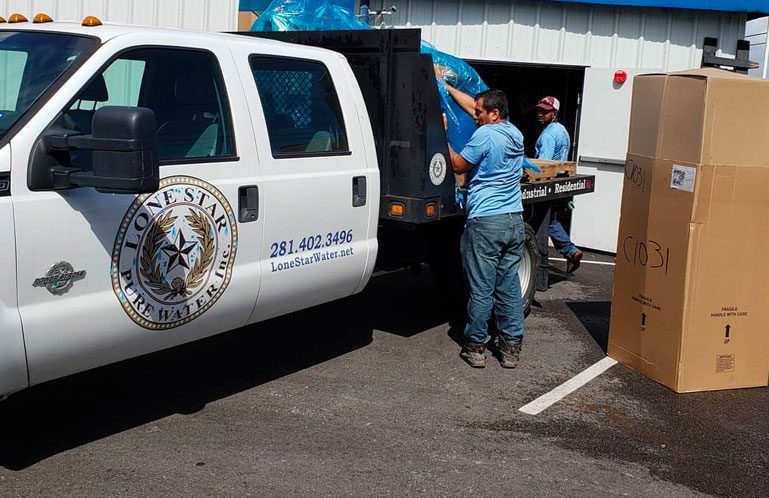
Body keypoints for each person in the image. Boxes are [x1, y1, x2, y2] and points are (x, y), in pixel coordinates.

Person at [445, 87, 527, 369]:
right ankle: (511, 347)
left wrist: (442, 134)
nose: (474, 117)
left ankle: (476, 346)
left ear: (494, 114)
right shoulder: (514, 133)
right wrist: (448, 87)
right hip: (514, 219)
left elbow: (458, 166)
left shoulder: (485, 134)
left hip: (486, 222)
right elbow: (473, 107)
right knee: (508, 285)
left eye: (480, 113)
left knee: (481, 288)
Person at [535, 96, 583, 273]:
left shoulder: (548, 134)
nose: (540, 114)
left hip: (546, 183)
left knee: (541, 221)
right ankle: (571, 252)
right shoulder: (562, 131)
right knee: (550, 220)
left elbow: (543, 163)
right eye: (539, 110)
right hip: (558, 181)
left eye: (545, 111)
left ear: (554, 113)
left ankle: (544, 261)